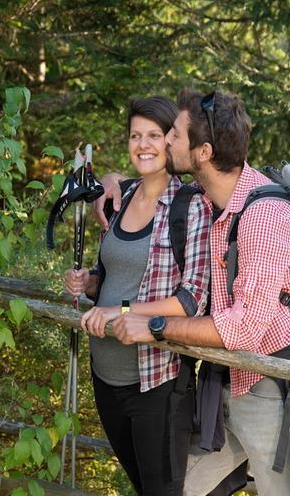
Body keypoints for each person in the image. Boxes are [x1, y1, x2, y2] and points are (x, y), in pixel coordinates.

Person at [102, 89, 290, 496]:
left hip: (271, 383)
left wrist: (157, 327)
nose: (165, 141)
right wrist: (110, 183)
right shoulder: (211, 196)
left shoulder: (265, 218)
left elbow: (243, 330)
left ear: (202, 152)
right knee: (180, 489)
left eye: (175, 136)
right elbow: (150, 187)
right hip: (228, 380)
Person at [63, 95, 211, 496]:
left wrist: (119, 309)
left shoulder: (190, 206)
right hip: (105, 376)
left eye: (154, 135)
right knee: (141, 486)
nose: (143, 145)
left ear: (171, 141)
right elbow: (113, 272)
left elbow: (191, 299)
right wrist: (89, 282)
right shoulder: (121, 198)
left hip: (156, 382)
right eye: (135, 135)